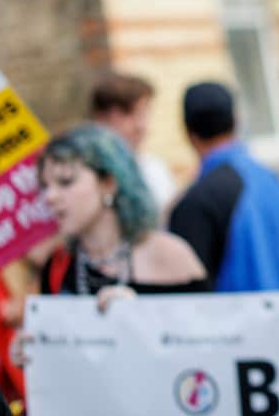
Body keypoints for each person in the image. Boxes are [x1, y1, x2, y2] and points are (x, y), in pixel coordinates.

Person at [38, 125, 209, 302]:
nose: (50, 197)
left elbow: (210, 323)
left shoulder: (170, 255)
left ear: (108, 184)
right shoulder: (58, 264)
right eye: (45, 186)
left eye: (65, 182)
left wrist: (135, 315)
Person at [167, 82, 279, 292]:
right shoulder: (273, 180)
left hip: (239, 320)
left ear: (188, 132)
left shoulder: (197, 199)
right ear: (236, 121)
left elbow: (188, 293)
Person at [89, 72, 177, 217]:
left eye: (143, 114)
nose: (140, 126)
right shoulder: (82, 176)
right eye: (129, 114)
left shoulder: (154, 168)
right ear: (101, 118)